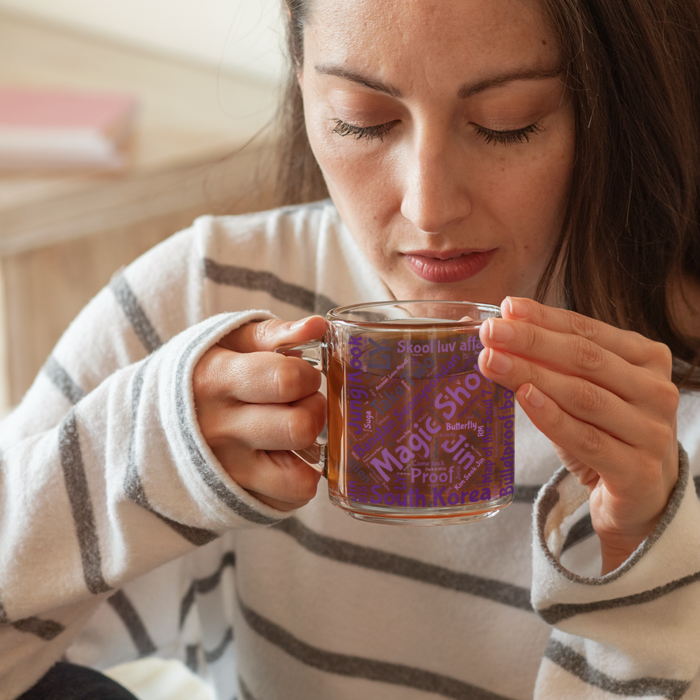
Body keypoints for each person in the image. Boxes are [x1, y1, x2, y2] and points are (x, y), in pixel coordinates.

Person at [5, 0, 700, 698]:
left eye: (506, 123)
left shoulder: (677, 390)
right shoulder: (209, 297)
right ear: (302, 82)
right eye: (362, 119)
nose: (429, 209)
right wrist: (138, 454)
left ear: (606, 97)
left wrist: (651, 568)